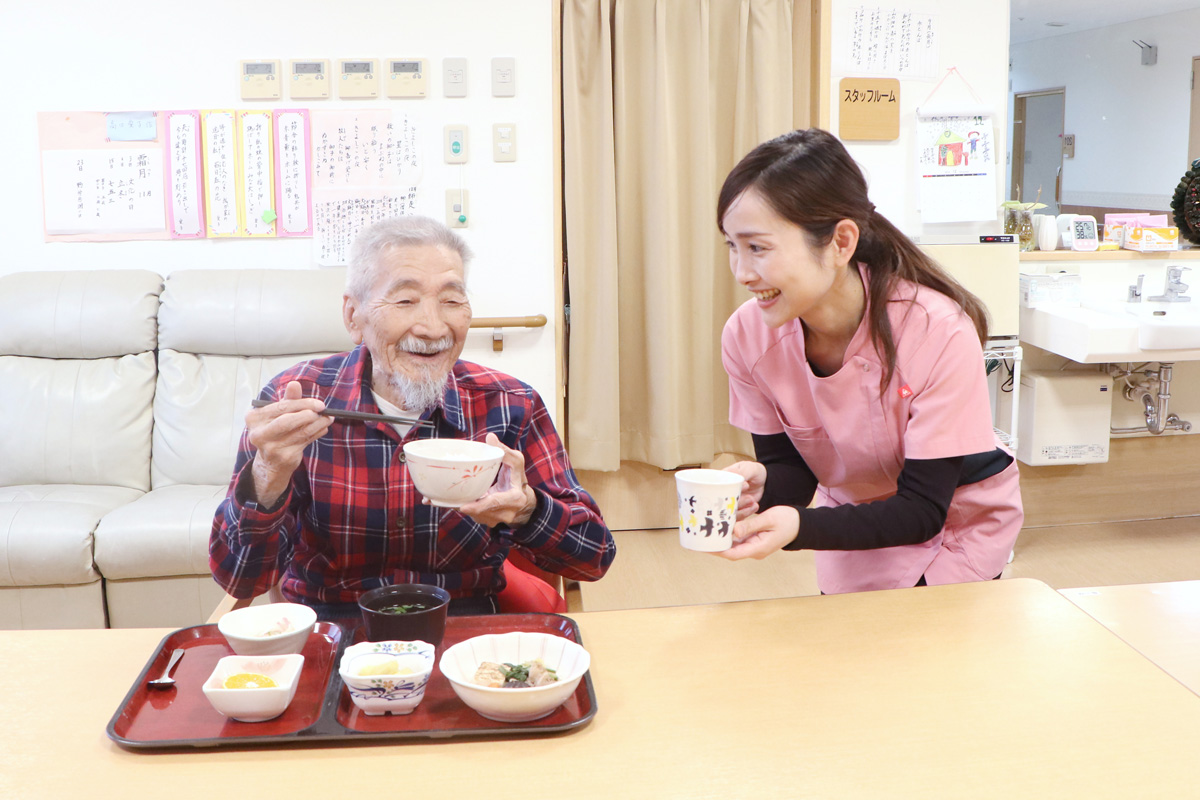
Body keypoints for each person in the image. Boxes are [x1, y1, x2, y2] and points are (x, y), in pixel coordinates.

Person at [210, 215, 615, 617]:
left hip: (465, 630)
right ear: (354, 316)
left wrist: (527, 510)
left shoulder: (510, 404)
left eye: (452, 301)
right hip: (333, 627)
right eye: (405, 300)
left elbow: (594, 557)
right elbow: (240, 579)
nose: (433, 326)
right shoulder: (294, 401)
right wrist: (268, 474)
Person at [715, 128, 1022, 594]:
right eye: (732, 247)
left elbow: (922, 510)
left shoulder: (935, 329)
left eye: (757, 247)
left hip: (956, 525)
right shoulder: (746, 336)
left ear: (840, 242)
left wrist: (801, 527)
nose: (741, 272)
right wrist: (764, 486)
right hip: (854, 523)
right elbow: (793, 476)